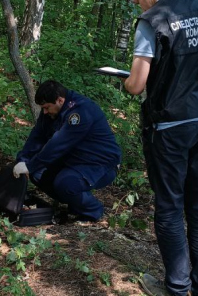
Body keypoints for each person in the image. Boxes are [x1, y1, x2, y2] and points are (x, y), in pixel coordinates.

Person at [122, 0, 198, 296]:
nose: (140, 5)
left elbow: (137, 85)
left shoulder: (153, 20)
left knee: (169, 207)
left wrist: (125, 81)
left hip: (170, 127)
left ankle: (177, 289)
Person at [13, 80, 122, 222]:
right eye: (43, 108)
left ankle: (92, 211)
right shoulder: (51, 111)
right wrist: (23, 160)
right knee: (38, 173)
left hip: (100, 163)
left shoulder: (80, 112)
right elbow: (37, 135)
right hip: (75, 160)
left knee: (65, 183)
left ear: (60, 100)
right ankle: (74, 202)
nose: (44, 112)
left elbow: (58, 144)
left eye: (47, 108)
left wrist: (30, 165)